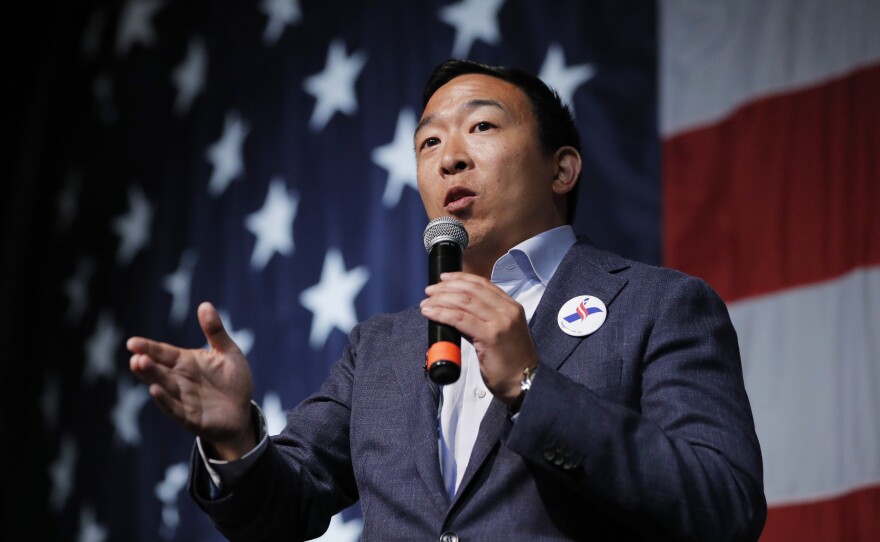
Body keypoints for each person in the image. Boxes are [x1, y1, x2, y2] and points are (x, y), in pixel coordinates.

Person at [128, 59, 767, 541]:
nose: (449, 159)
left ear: (562, 168)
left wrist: (531, 384)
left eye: (482, 126)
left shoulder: (660, 305)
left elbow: (724, 505)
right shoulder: (380, 348)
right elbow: (281, 508)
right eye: (429, 143)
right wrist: (235, 437)